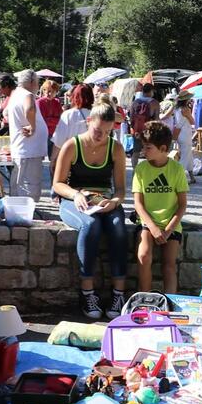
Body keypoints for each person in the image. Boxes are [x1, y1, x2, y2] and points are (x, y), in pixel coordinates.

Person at [52, 101, 129, 319]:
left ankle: (119, 293)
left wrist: (114, 201)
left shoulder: (116, 148)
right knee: (90, 225)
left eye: (107, 132)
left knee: (118, 227)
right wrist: (76, 195)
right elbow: (57, 184)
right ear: (88, 122)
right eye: (97, 130)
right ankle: (87, 291)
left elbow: (121, 188)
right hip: (74, 199)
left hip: (104, 199)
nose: (101, 136)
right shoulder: (71, 145)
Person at [133, 121, 188, 293]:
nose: (144, 151)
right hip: (148, 223)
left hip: (171, 225)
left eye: (148, 148)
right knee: (143, 256)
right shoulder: (141, 169)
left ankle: (171, 303)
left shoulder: (176, 169)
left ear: (163, 148)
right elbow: (138, 204)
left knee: (169, 264)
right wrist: (153, 228)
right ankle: (145, 299)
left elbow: (182, 204)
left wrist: (169, 229)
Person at [6, 69, 49, 202]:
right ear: (31, 82)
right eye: (37, 83)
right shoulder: (27, 95)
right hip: (29, 150)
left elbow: (5, 113)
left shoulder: (15, 94)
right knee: (29, 188)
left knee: (19, 185)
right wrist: (33, 126)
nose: (37, 86)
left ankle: (18, 210)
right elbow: (29, 109)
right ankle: (24, 213)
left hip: (24, 149)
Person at [51, 83, 93, 161]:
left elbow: (58, 141)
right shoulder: (96, 114)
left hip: (70, 158)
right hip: (91, 157)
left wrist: (53, 160)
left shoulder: (68, 114)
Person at [129, 82, 160, 169]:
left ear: (142, 91)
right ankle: (149, 171)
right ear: (151, 91)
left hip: (137, 131)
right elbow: (157, 119)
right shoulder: (155, 103)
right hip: (149, 130)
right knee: (149, 151)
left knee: (135, 152)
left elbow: (131, 118)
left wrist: (134, 128)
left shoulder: (135, 102)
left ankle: (135, 171)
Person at [37, 79, 64, 155]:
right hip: (44, 134)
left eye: (51, 91)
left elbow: (61, 119)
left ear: (56, 92)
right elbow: (42, 121)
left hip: (55, 133)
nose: (47, 93)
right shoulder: (39, 102)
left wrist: (51, 120)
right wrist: (54, 120)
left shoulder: (57, 102)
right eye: (45, 90)